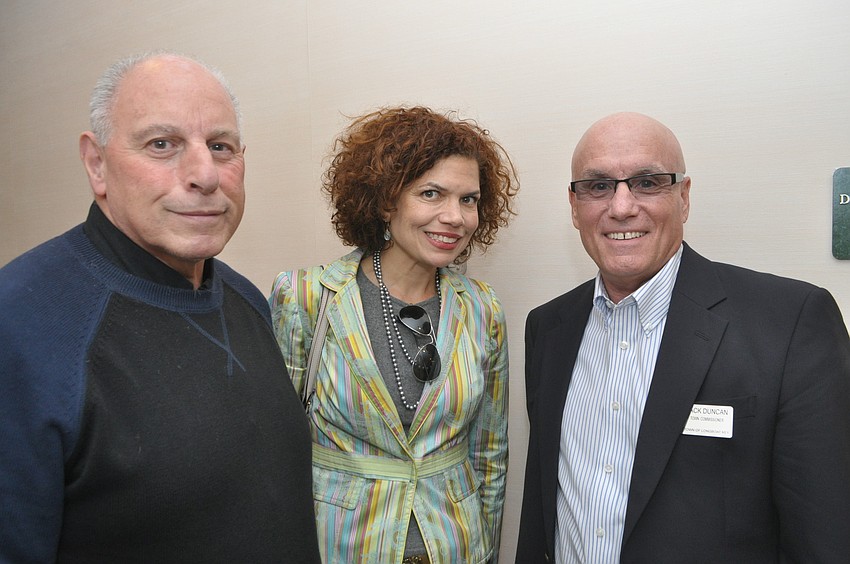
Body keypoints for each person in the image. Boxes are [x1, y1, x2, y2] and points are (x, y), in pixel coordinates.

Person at [0, 52, 320, 563]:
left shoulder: (247, 299)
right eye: (162, 144)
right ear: (96, 163)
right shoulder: (19, 324)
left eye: (220, 146)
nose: (204, 174)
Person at [516, 112, 850, 563]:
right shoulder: (548, 329)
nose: (621, 206)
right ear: (574, 207)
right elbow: (542, 516)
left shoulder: (789, 323)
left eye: (647, 182)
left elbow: (825, 534)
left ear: (684, 197)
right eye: (598, 186)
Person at [269, 106, 518, 563]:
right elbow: (275, 451)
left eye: (468, 199)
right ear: (386, 200)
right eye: (431, 194)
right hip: (341, 546)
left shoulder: (484, 308)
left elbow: (489, 454)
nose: (455, 217)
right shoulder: (307, 296)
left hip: (455, 547)